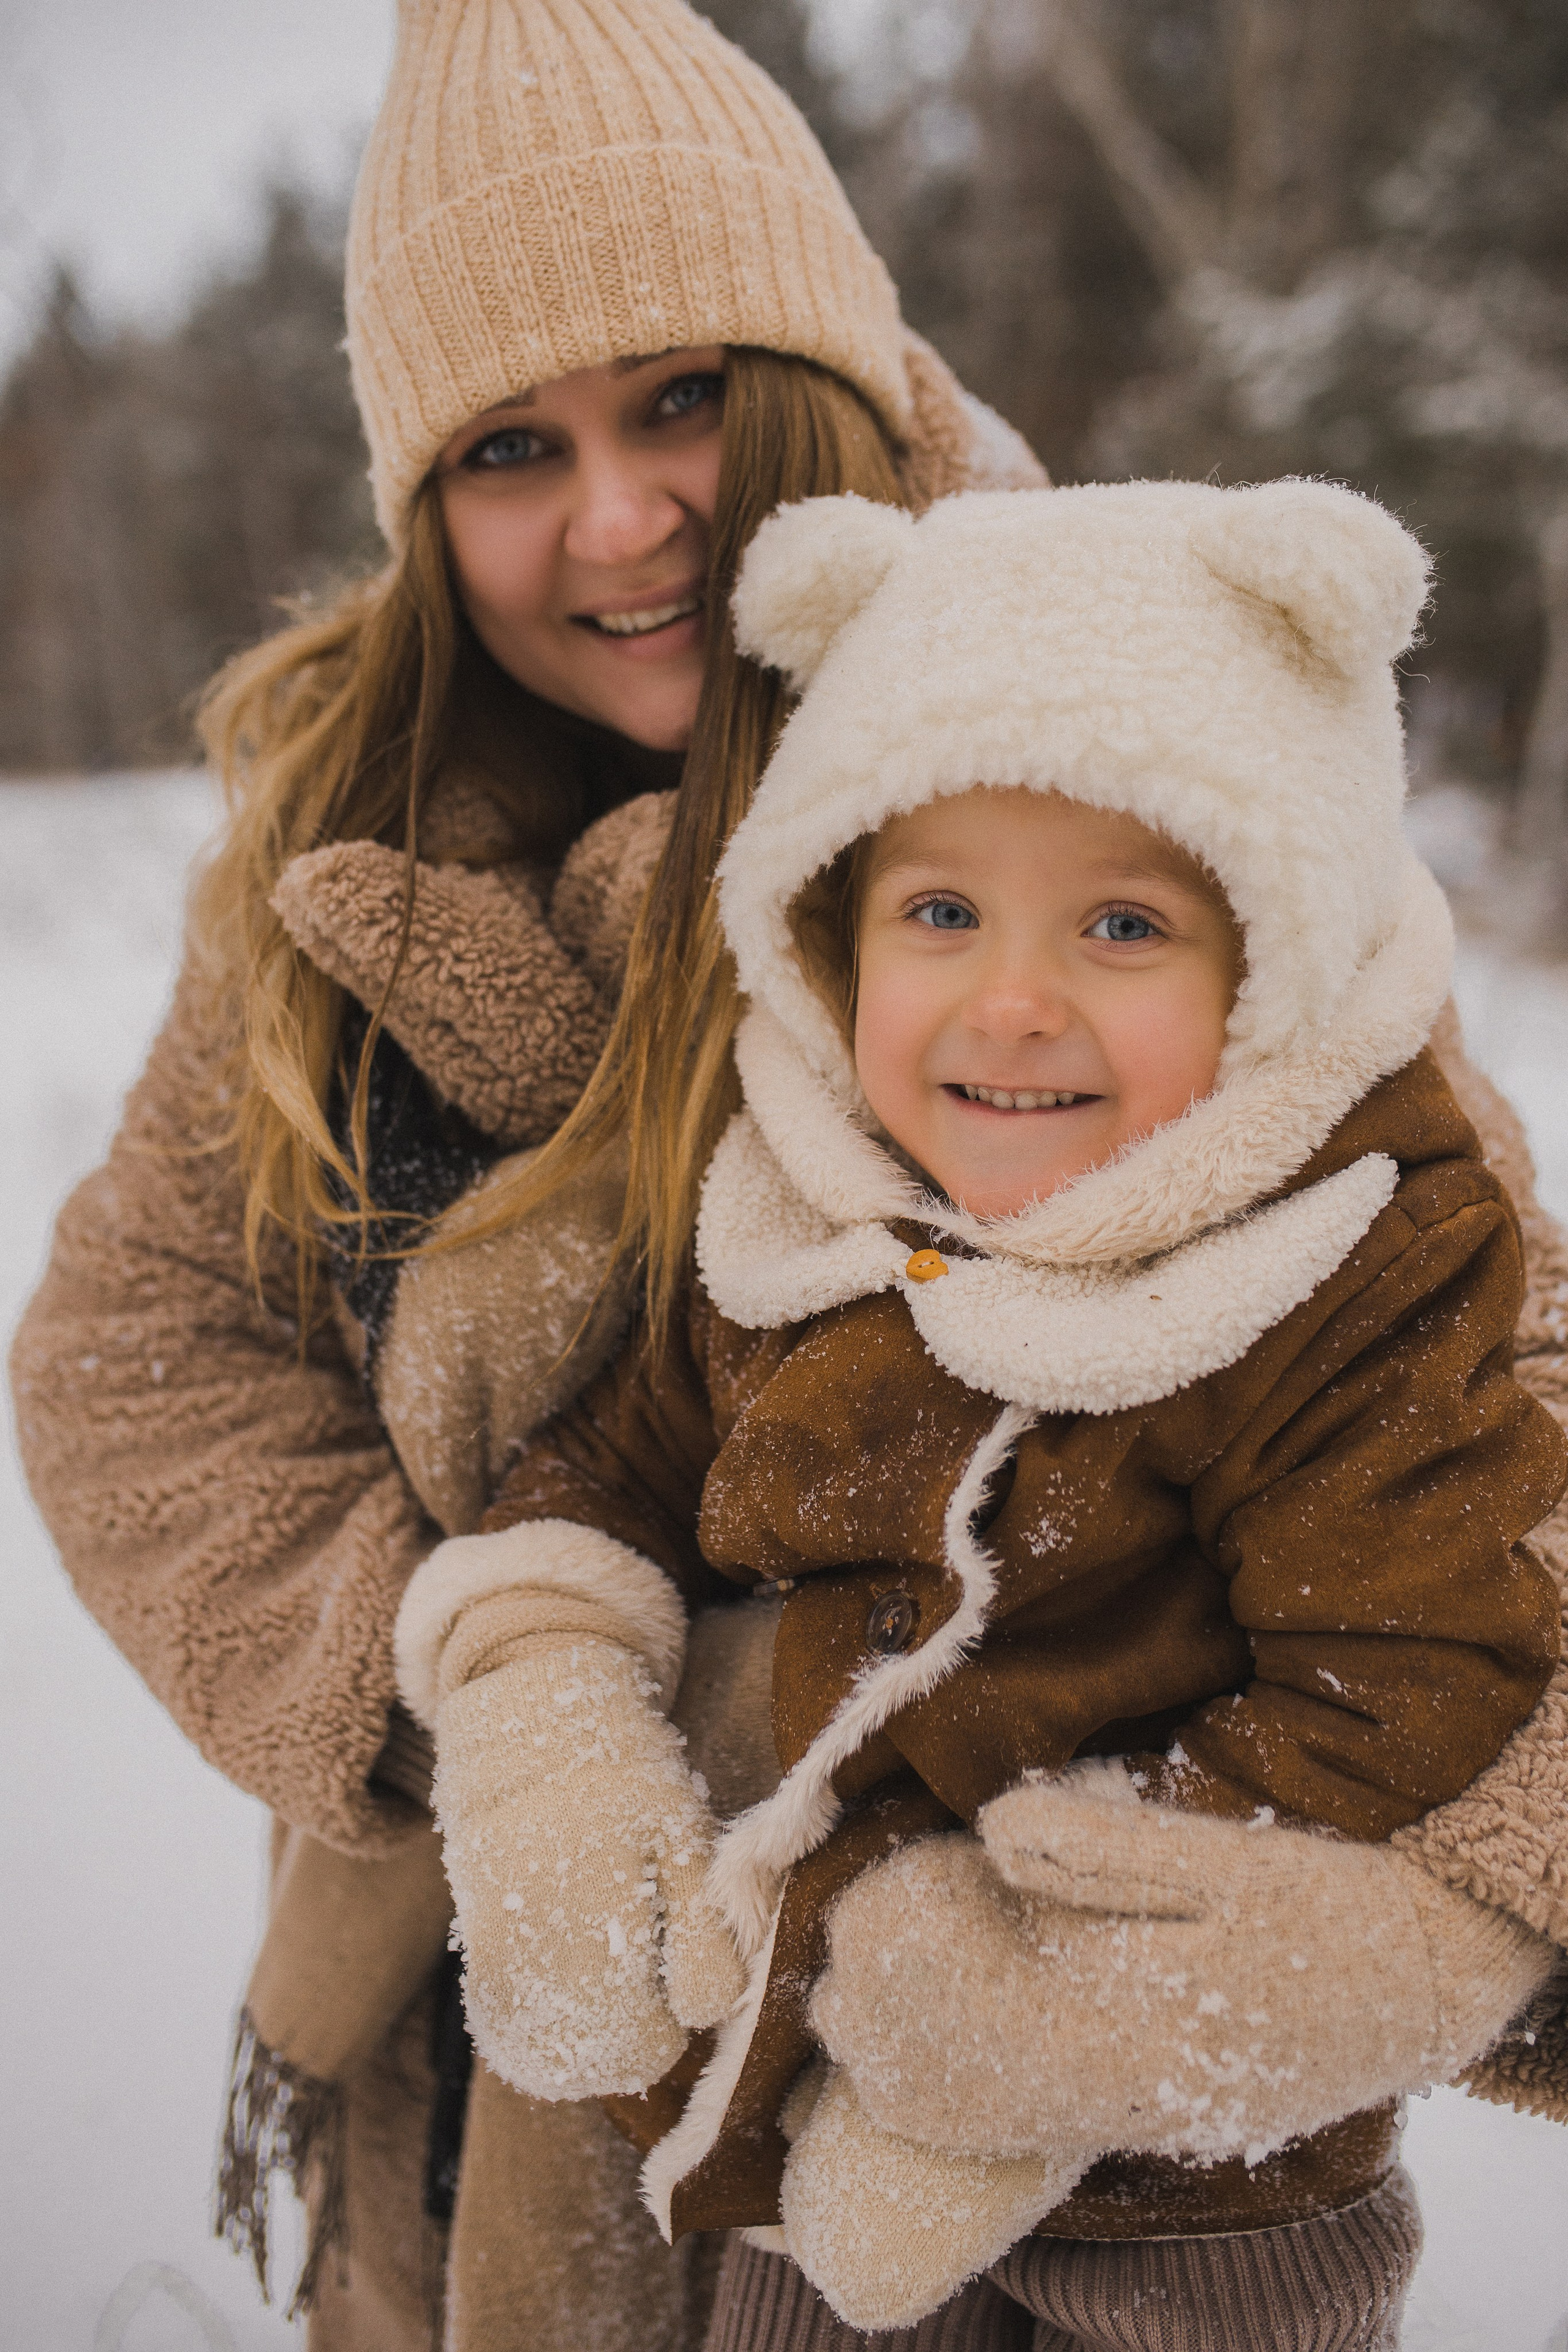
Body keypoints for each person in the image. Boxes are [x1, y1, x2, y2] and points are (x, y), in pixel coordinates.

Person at [7, 2, 1567, 2349]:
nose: (618, 519)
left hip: (998, 2093)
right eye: (512, 445)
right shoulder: (356, 817)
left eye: (684, 398)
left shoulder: (1106, 701)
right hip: (479, 1982)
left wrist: (1431, 1892)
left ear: (823, 373)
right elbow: (135, 1348)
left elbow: (1476, 1333)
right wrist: (506, 1715)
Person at [399, 480, 1568, 2352]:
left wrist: (1049, 2001)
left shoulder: (1347, 1271)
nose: (1010, 1004)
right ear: (832, 935)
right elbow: (609, 1470)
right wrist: (542, 1707)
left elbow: (1418, 1669)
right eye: (940, 911)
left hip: (1202, 2203)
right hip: (799, 2132)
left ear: (1275, 957)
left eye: (1122, 923)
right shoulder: (803, 1213)